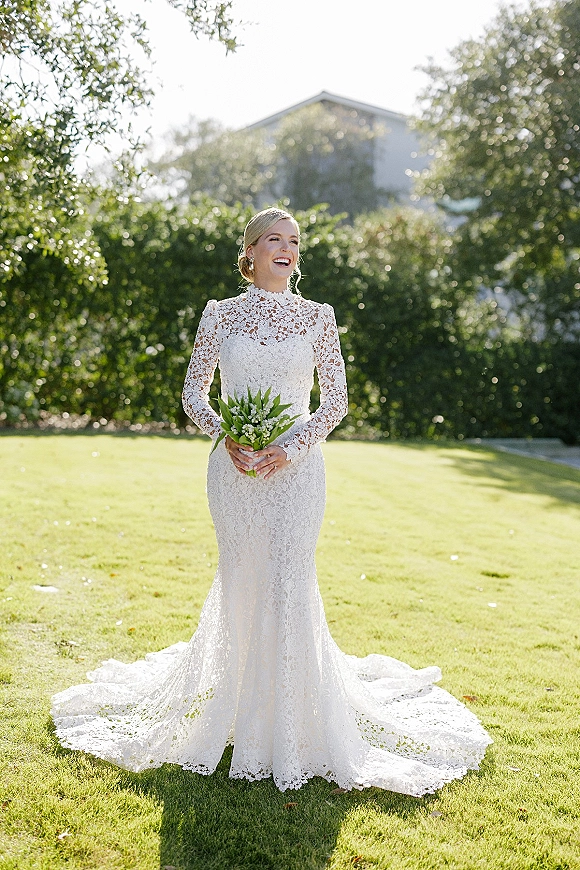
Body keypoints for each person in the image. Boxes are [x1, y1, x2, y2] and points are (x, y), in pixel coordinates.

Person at [51, 207, 491, 795]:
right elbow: (193, 392)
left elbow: (334, 402)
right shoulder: (220, 316)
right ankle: (237, 706)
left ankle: (291, 718)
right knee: (242, 580)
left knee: (289, 579)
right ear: (251, 253)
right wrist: (225, 433)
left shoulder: (318, 318)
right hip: (231, 474)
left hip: (297, 471)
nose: (286, 249)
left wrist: (292, 448)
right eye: (274, 240)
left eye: (294, 241)